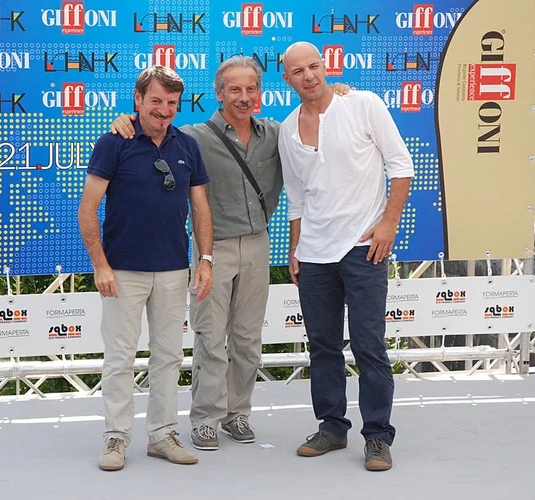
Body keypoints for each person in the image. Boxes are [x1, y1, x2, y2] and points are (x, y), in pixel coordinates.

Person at [110, 58, 349, 451]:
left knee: (247, 338)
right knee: (209, 336)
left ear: (260, 92)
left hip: (258, 244)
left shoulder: (277, 132)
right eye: (234, 90)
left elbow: (319, 117)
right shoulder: (194, 136)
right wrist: (126, 122)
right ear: (219, 95)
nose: (243, 97)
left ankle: (238, 415)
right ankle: (205, 418)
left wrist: (340, 94)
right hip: (212, 249)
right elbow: (154, 126)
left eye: (250, 89)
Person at [278, 42, 414, 471]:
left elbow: (401, 164)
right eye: (298, 71)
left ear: (326, 66)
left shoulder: (363, 104)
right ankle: (332, 428)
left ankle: (377, 437)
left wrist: (389, 223)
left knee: (369, 344)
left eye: (314, 66)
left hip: (363, 248)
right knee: (322, 346)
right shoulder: (286, 128)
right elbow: (296, 196)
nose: (308, 76)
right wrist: (295, 246)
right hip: (314, 253)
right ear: (288, 79)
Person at [78, 65, 213, 471]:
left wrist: (204, 260)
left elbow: (201, 208)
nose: (164, 109)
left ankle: (162, 435)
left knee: (169, 357)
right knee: (120, 358)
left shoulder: (187, 145)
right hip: (122, 271)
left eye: (171, 103)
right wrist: (100, 265)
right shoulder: (113, 142)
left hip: (174, 270)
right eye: (156, 101)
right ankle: (116, 439)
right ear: (138, 101)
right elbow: (88, 211)